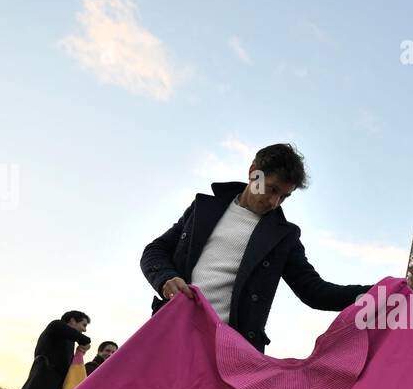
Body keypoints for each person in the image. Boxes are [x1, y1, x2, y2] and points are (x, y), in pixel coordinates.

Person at [139, 143, 369, 352]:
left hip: (230, 352)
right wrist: (165, 278)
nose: (274, 202)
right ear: (253, 172)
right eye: (271, 189)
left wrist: (382, 294)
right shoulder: (203, 208)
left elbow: (315, 291)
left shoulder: (284, 236)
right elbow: (155, 250)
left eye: (284, 197)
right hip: (172, 331)